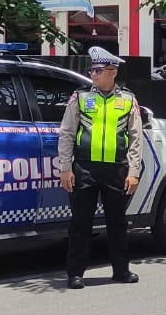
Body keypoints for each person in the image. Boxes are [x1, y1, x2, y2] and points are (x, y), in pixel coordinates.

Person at [58, 46, 145, 289]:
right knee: (80, 223)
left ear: (112, 72)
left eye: (98, 70)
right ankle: (75, 274)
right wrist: (65, 168)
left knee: (117, 222)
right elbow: (66, 133)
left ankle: (121, 271)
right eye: (92, 70)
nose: (92, 74)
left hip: (116, 169)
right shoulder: (80, 97)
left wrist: (133, 172)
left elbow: (136, 138)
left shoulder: (127, 99)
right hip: (84, 168)